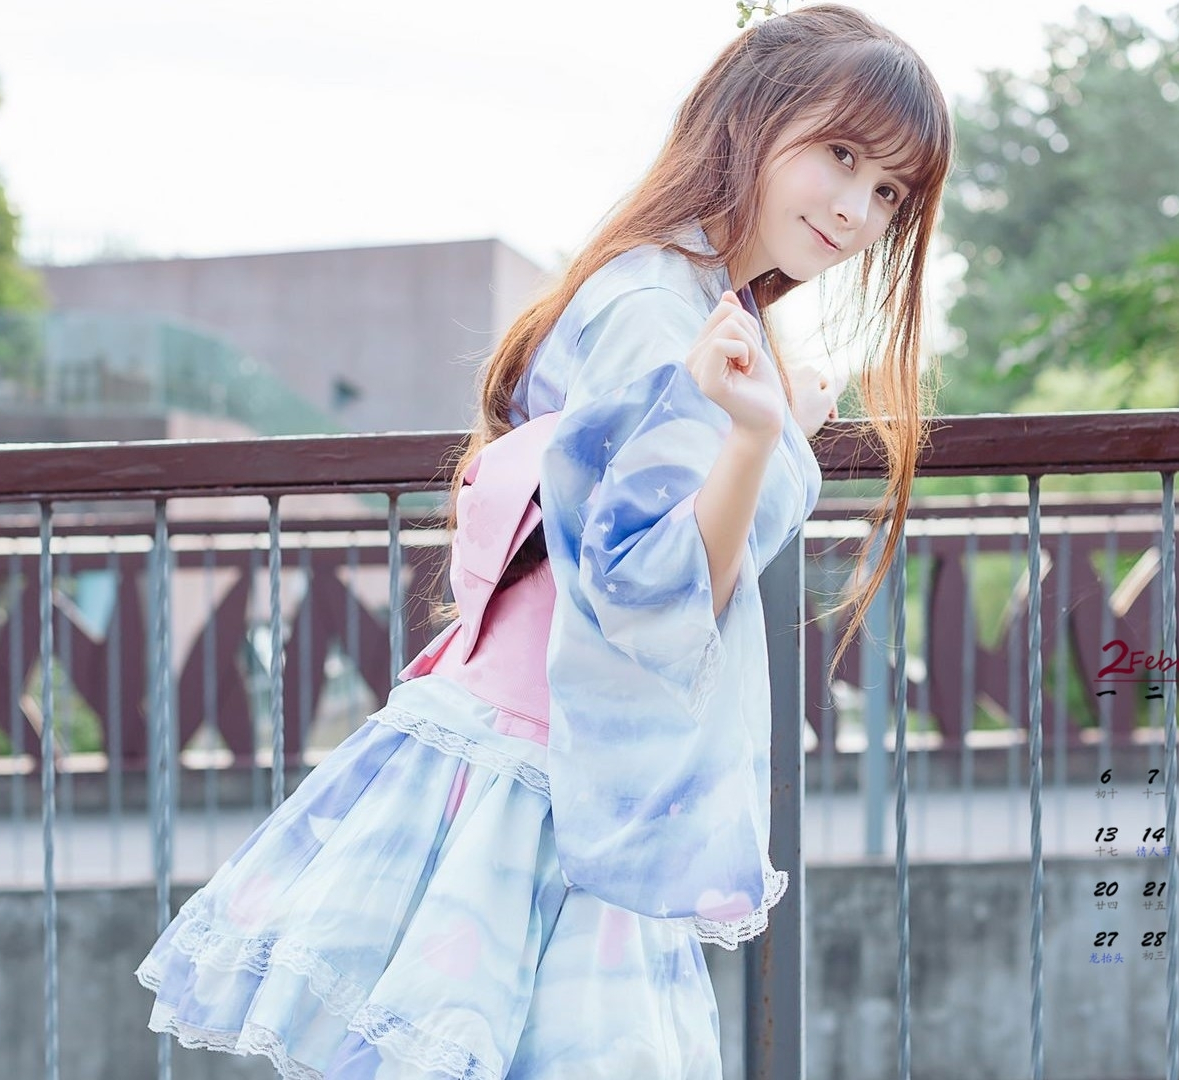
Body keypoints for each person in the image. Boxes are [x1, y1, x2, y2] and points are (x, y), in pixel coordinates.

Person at [133, 4, 952, 1075]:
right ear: (749, 119)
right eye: (841, 155)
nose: (856, 208)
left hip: (550, 757)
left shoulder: (687, 298)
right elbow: (648, 587)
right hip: (541, 769)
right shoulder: (656, 308)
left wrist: (770, 428)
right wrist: (761, 439)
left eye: (889, 191)